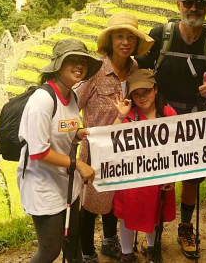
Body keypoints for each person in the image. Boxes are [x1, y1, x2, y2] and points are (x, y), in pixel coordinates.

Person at [136, 0, 206, 259]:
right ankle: (154, 228)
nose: (193, 9)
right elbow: (140, 71)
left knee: (191, 178)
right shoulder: (160, 35)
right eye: (188, 3)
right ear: (178, 4)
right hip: (161, 117)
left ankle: (186, 227)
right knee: (159, 174)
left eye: (199, 4)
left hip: (195, 117)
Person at [76, 13, 155, 263]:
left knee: (116, 199)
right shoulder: (95, 71)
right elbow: (72, 104)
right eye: (119, 36)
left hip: (125, 150)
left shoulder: (135, 70)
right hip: (95, 150)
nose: (125, 42)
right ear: (110, 41)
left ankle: (109, 242)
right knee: (90, 205)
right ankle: (87, 252)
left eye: (130, 37)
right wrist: (76, 131)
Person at [18, 38, 102, 263]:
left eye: (83, 61)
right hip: (42, 184)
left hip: (66, 182)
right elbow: (39, 152)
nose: (79, 66)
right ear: (58, 65)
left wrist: (78, 134)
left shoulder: (72, 96)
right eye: (72, 60)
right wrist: (77, 164)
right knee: (50, 249)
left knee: (72, 240)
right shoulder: (42, 101)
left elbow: (63, 129)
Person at [110, 69, 177, 263]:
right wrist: (121, 117)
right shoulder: (129, 115)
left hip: (159, 177)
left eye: (145, 92)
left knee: (155, 213)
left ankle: (152, 249)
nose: (142, 98)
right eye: (136, 94)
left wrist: (172, 177)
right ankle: (126, 251)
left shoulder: (168, 113)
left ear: (155, 90)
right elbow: (111, 140)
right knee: (126, 215)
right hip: (131, 178)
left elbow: (178, 148)